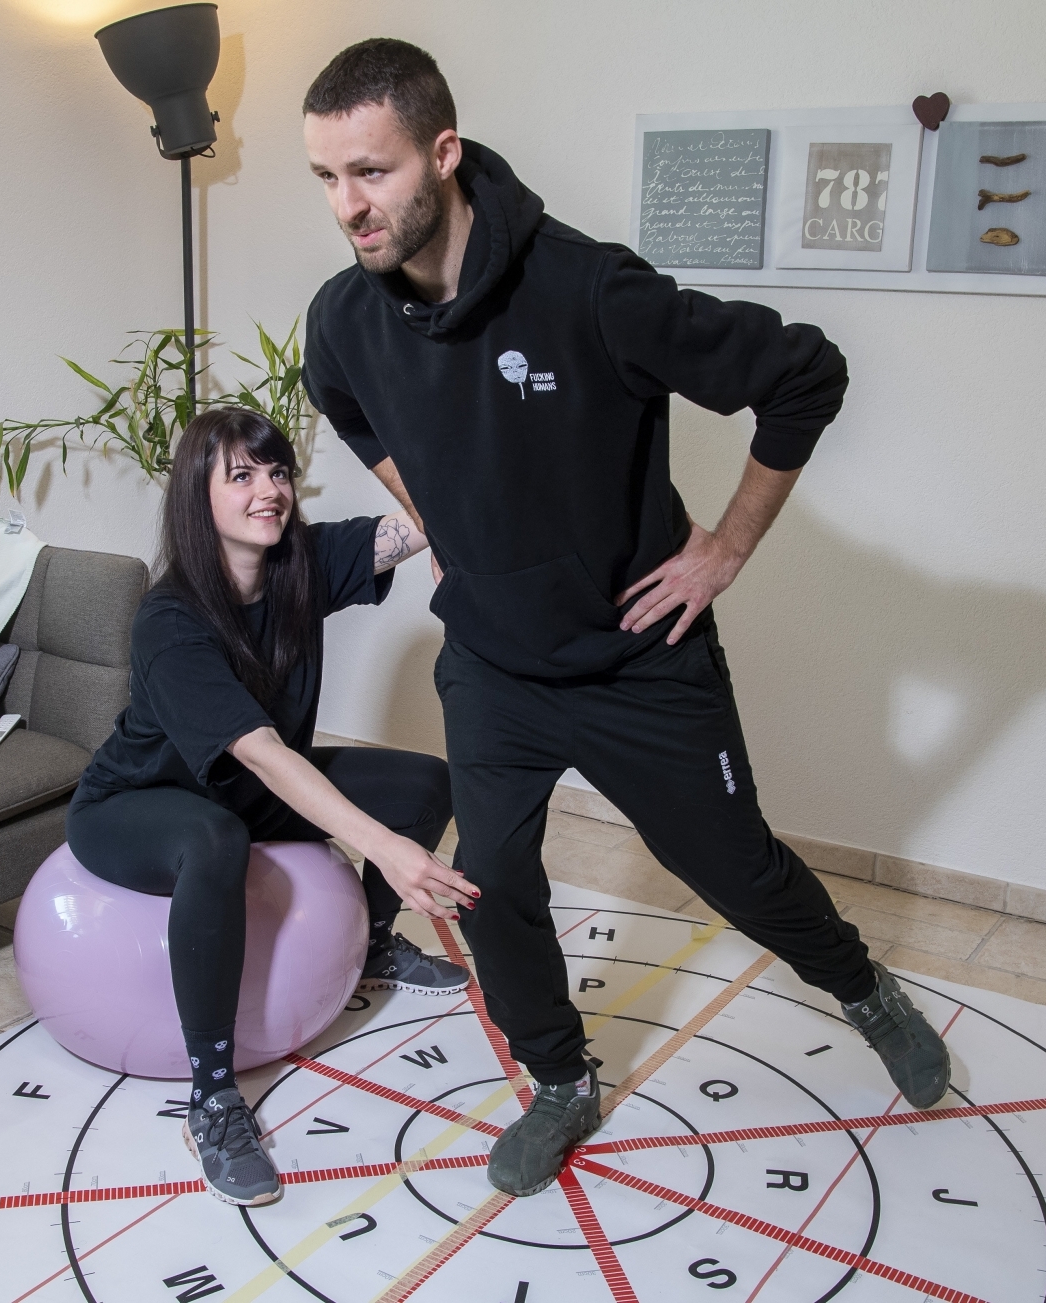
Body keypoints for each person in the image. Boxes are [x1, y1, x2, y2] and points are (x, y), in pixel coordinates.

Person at [298, 40, 951, 1199]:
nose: (348, 206)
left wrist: (725, 547)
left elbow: (804, 374)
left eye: (371, 171)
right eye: (327, 180)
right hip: (493, 661)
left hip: (635, 661)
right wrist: (432, 511)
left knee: (737, 871)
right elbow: (344, 404)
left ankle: (862, 988)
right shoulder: (346, 317)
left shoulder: (587, 287)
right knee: (491, 879)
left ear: (441, 155)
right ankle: (558, 1080)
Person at [67, 407, 477, 1207]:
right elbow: (260, 751)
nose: (269, 490)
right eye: (243, 475)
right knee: (215, 837)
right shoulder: (169, 620)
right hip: (140, 804)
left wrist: (441, 436)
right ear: (198, 494)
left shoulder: (302, 565)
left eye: (279, 471)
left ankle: (372, 943)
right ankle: (213, 1097)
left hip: (246, 791)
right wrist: (384, 847)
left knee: (427, 784)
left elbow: (423, 522)